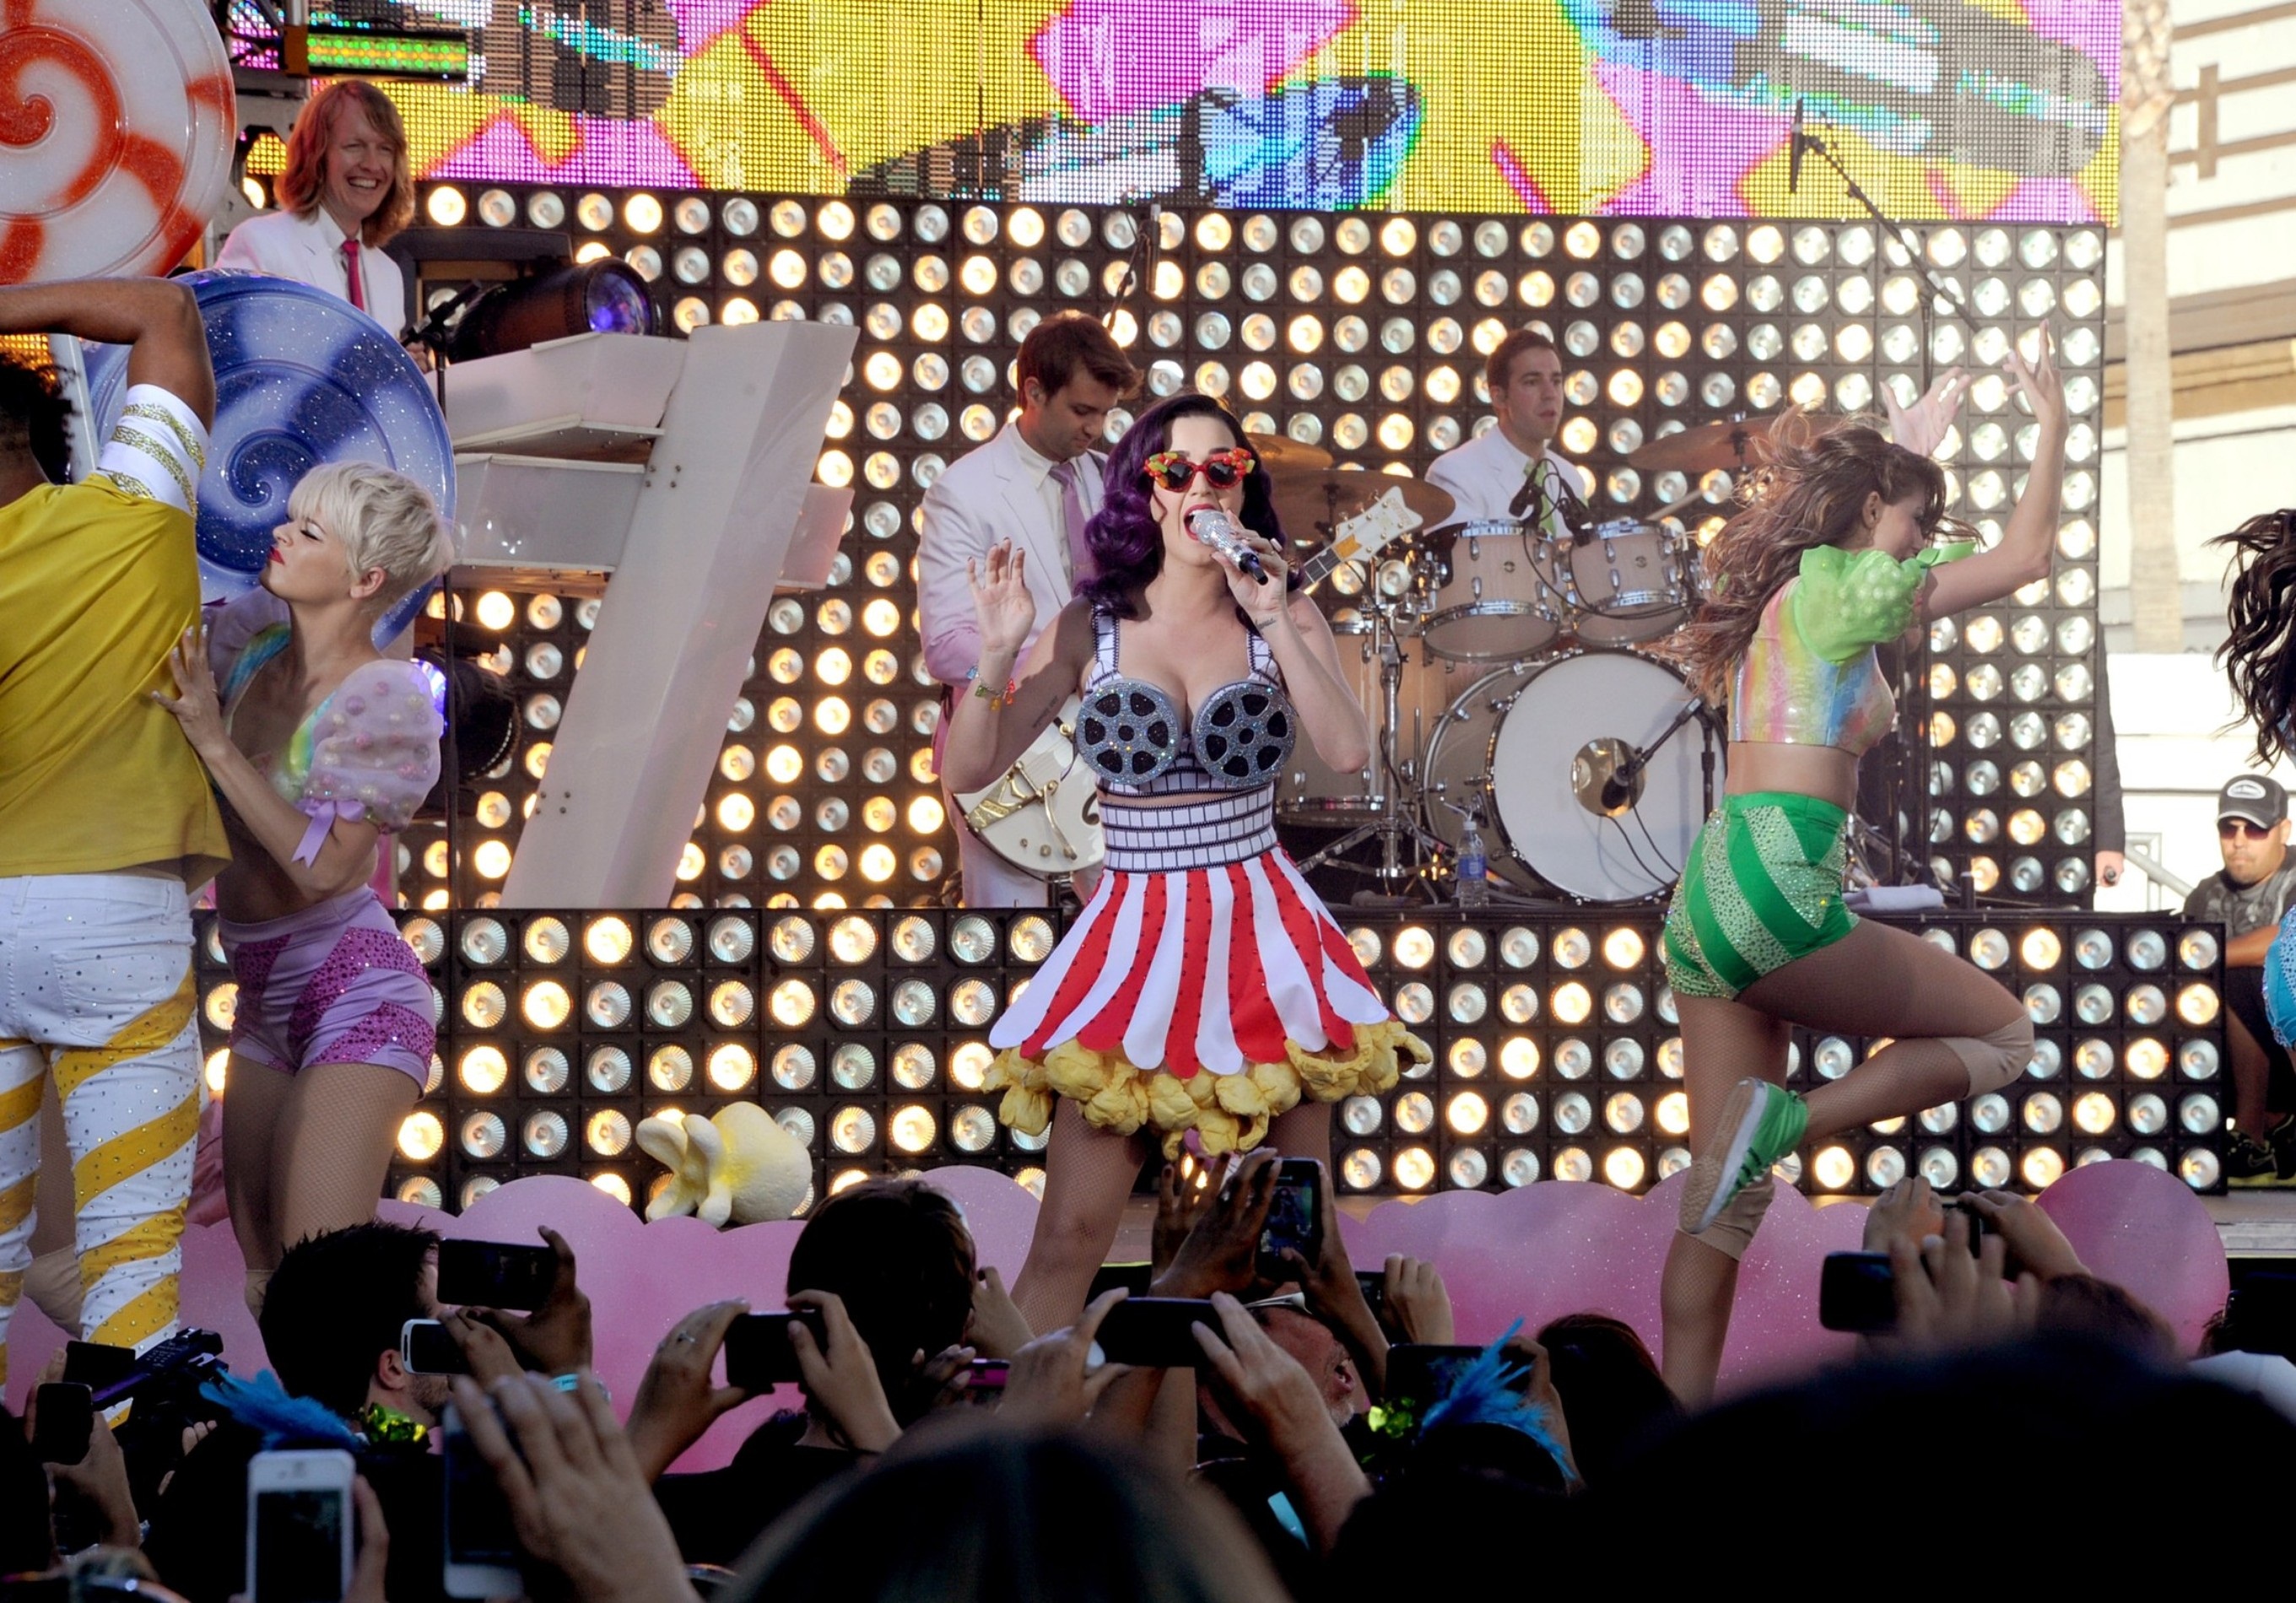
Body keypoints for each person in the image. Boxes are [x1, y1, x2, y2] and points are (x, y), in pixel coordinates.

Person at [939, 391, 1427, 1333]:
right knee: (1069, 1237)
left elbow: (1346, 750)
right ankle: (1018, 1419)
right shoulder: (1090, 625)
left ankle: (1336, 1408)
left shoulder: (1282, 611)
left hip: (1264, 933)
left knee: (1301, 1237)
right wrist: (997, 653)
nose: (1202, 485)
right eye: (1178, 470)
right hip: (1135, 931)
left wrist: (1275, 617)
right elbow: (971, 768)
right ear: (1147, 491)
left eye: (1223, 468)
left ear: (1243, 485)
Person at [1655, 333, 2067, 1406]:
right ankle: (1794, 1121)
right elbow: (2025, 558)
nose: (1925, 545)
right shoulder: (1841, 584)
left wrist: (1910, 451)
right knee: (2005, 1034)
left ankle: (1671, 1430)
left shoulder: (1797, 593)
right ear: (1870, 510)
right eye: (1918, 522)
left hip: (1710, 890)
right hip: (1777, 883)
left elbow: (1893, 537)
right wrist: (2055, 428)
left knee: (1721, 1200)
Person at [153, 463, 451, 1309]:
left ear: (364, 580)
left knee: (320, 1279)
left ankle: (432, 1392)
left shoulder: (382, 700)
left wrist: (215, 744)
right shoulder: (250, 644)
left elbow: (325, 867)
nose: (281, 533)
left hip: (357, 991)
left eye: (310, 531)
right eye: (291, 519)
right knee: (267, 1280)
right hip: (259, 995)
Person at [0, 278, 224, 1380]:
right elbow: (163, 316)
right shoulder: (137, 512)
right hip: (116, 921)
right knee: (130, 1269)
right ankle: (130, 1475)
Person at [917, 312, 1139, 907]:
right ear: (1033, 392)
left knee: (1125, 928)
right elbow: (946, 646)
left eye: (1105, 414)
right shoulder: (964, 490)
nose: (1095, 429)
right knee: (1011, 936)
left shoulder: (1110, 480)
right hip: (1004, 747)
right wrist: (1051, 672)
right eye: (1082, 411)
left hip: (1106, 744)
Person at [213, 79, 413, 334]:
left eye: (385, 149)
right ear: (314, 155)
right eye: (354, 146)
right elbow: (228, 351)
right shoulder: (260, 244)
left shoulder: (388, 274)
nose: (372, 165)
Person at [2171, 775, 2296, 1182]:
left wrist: (2210, 955)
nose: (2240, 841)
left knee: (2241, 979)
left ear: (2283, 830)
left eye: (2255, 829)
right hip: (2236, 1048)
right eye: (2230, 828)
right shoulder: (2206, 894)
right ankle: (2273, 1127)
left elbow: (2285, 939)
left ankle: (2252, 1135)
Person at [1423, 327, 1584, 530]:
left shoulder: (1571, 477)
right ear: (1499, 397)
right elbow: (1463, 552)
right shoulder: (1455, 472)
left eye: (1556, 381)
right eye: (1532, 382)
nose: (1550, 394)